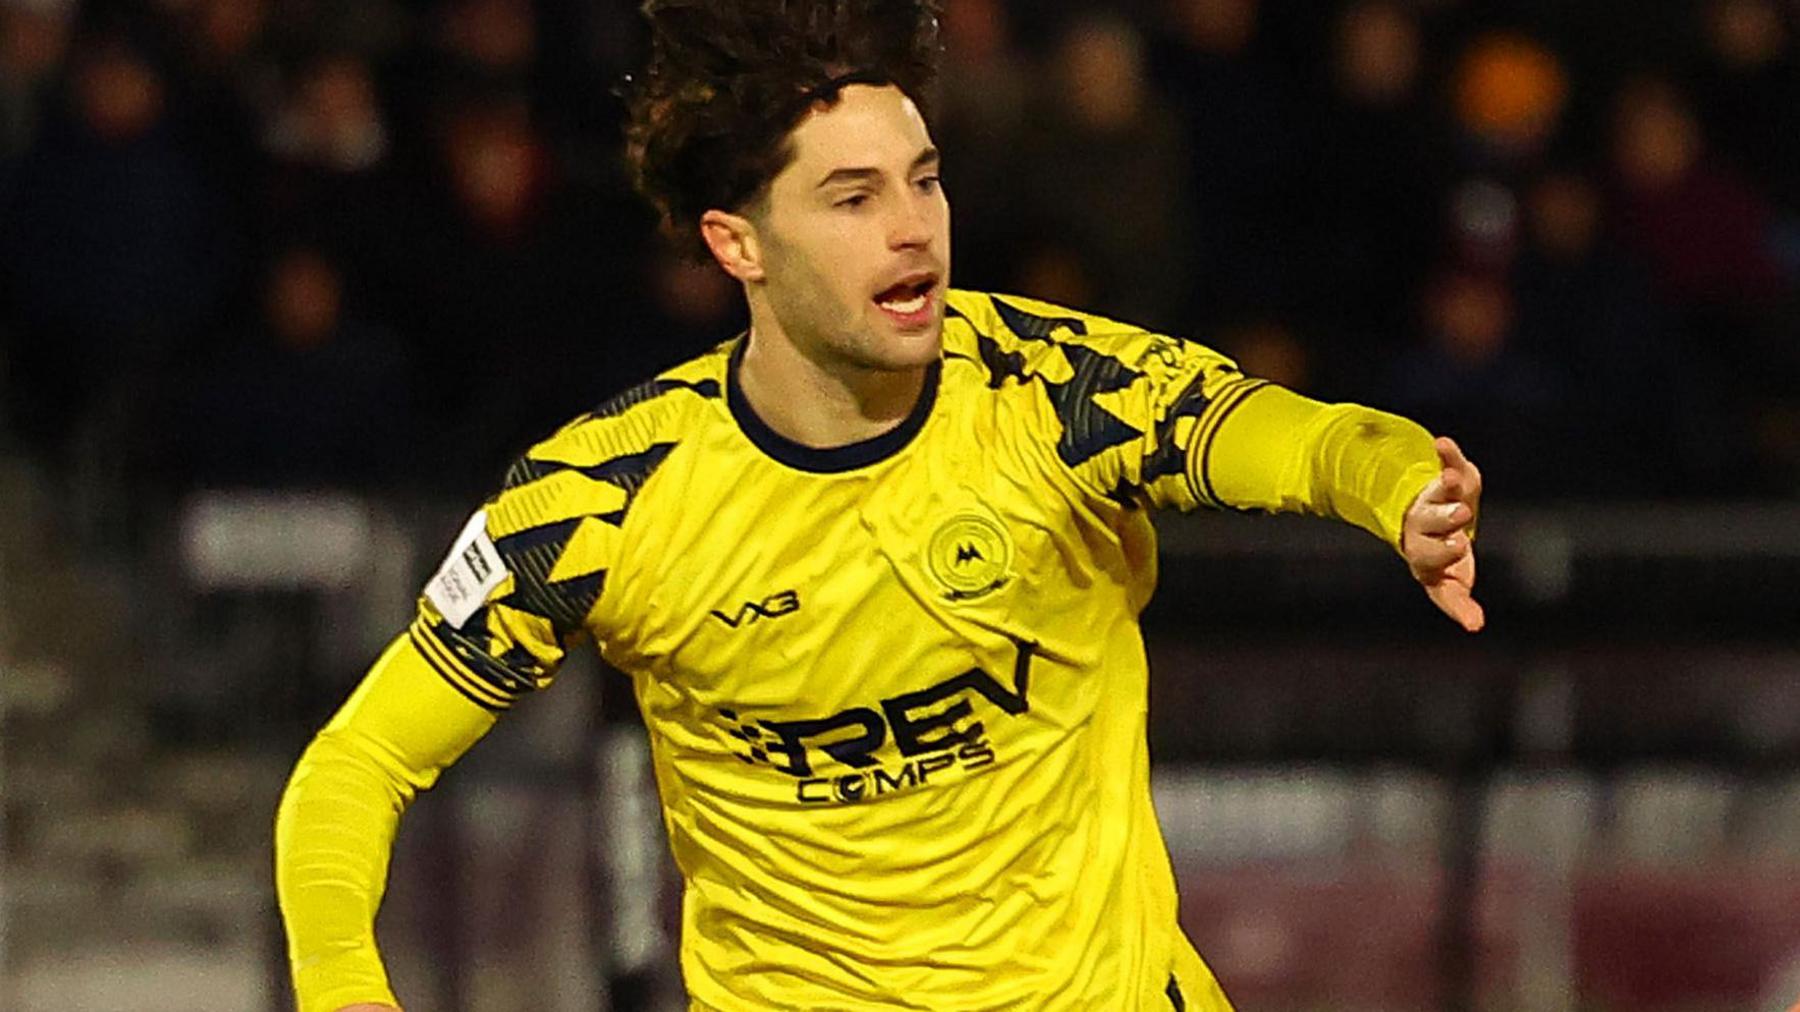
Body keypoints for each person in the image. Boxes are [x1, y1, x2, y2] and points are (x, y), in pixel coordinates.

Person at [273, 2, 1484, 1010]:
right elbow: (353, 769)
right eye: (852, 199)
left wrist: (1399, 491)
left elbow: (1285, 431)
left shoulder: (1049, 390)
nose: (912, 229)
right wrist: (342, 988)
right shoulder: (603, 498)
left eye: (925, 179)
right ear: (737, 243)